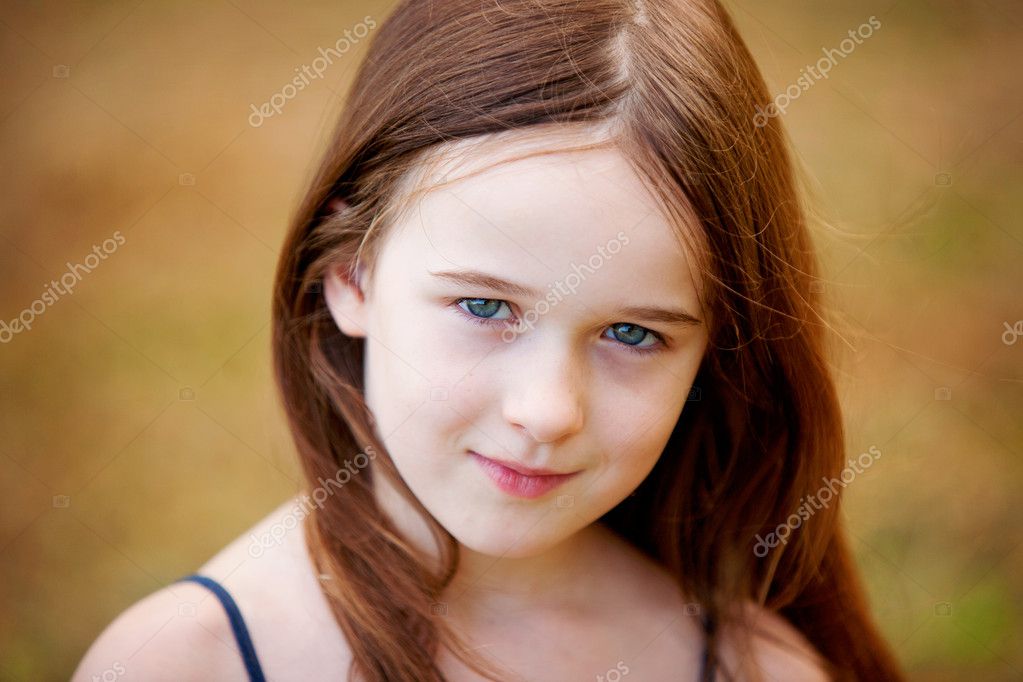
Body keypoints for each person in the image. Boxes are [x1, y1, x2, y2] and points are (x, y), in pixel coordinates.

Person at [73, 1, 906, 680]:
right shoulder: (183, 663)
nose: (546, 412)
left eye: (631, 332)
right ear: (351, 274)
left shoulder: (753, 668)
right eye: (482, 307)